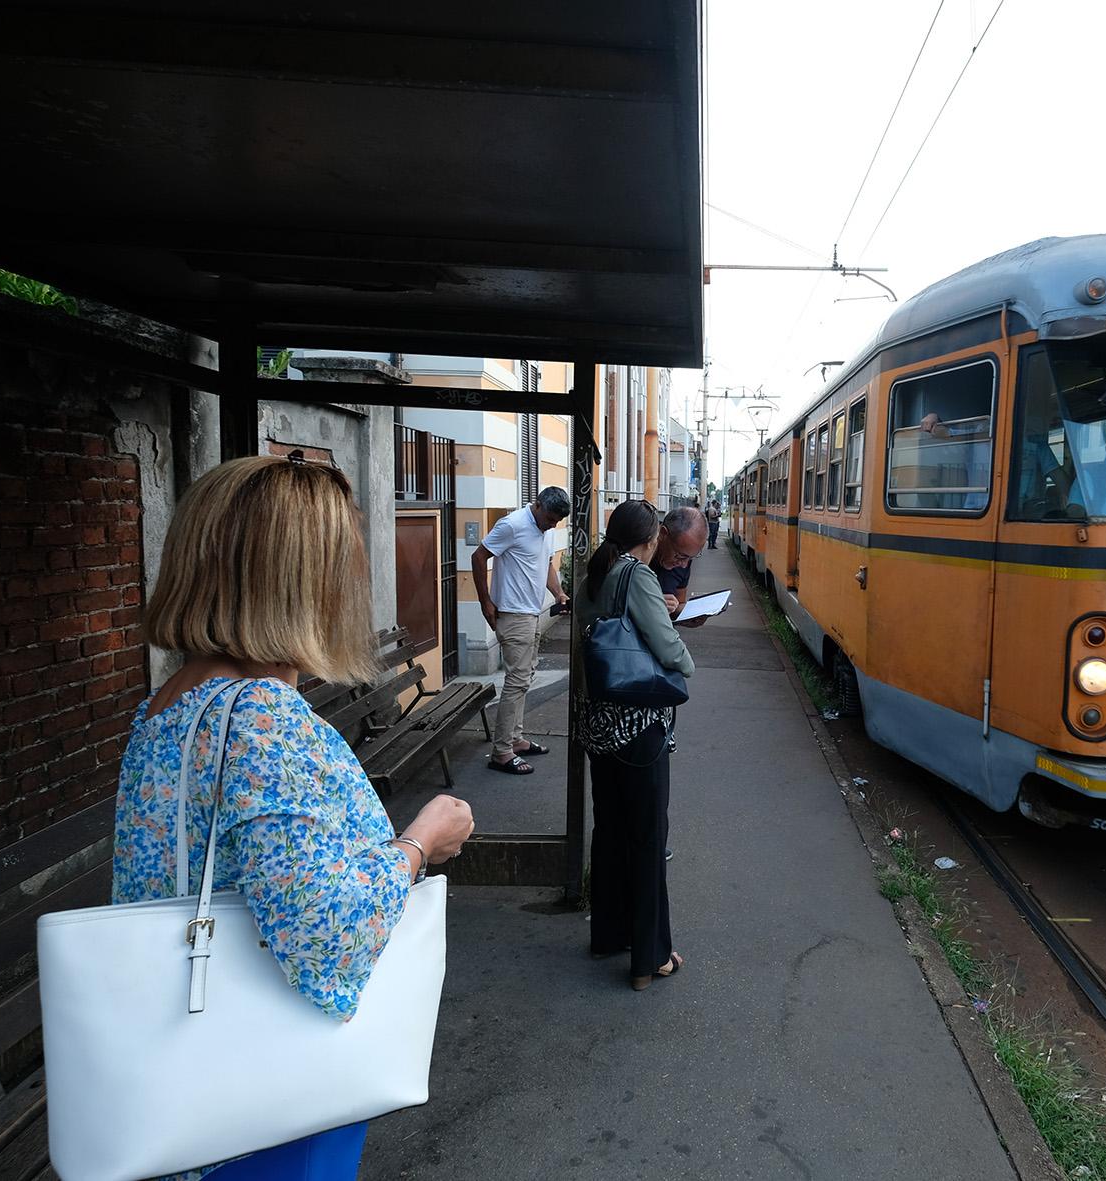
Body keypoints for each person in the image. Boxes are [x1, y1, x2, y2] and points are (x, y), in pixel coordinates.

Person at [117, 454, 477, 1180]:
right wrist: (419, 841)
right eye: (339, 563)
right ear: (298, 581)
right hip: (268, 1114)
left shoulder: (170, 703)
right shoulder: (260, 715)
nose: (351, 583)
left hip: (189, 1080)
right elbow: (327, 936)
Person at [578, 500, 694, 990]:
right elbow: (667, 650)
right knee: (648, 838)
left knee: (610, 830)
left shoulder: (595, 571)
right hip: (637, 726)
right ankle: (650, 958)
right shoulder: (639, 575)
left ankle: (609, 934)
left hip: (597, 724)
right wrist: (686, 658)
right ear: (650, 540)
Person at [472, 486, 571, 775]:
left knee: (524, 678)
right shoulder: (512, 525)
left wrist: (559, 593)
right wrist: (485, 602)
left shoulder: (546, 529)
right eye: (549, 519)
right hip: (513, 615)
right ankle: (501, 752)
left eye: (555, 523)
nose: (551, 526)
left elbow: (546, 565)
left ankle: (514, 739)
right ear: (537, 505)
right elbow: (479, 557)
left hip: (531, 613)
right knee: (516, 682)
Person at [651, 505, 708, 627]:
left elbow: (679, 602)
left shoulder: (684, 561)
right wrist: (652, 604)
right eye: (680, 556)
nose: (684, 565)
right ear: (663, 534)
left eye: (691, 558)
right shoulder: (639, 555)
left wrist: (688, 616)